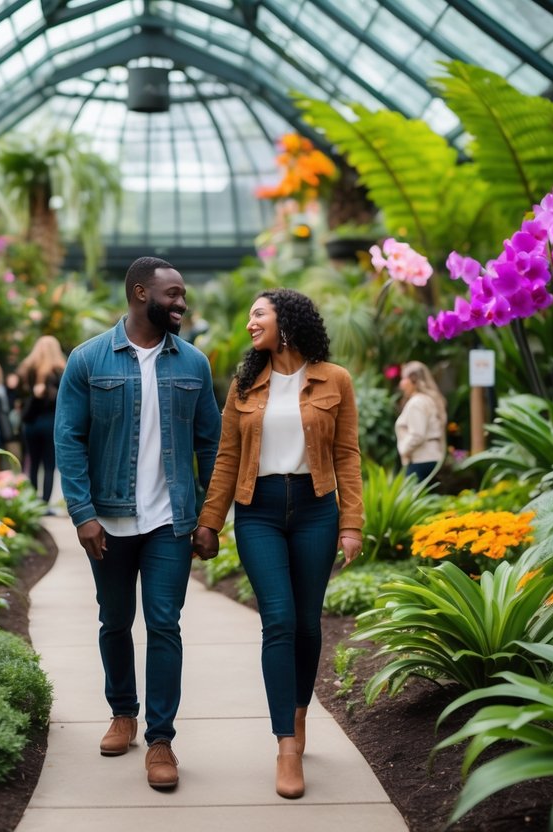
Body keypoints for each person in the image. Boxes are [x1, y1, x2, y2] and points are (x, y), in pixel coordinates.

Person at [54, 256, 222, 792]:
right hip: (108, 517)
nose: (181, 303)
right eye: (173, 294)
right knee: (114, 620)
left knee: (165, 624)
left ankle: (160, 739)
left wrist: (209, 518)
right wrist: (81, 514)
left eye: (183, 295)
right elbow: (69, 439)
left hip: (170, 522)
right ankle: (122, 712)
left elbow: (212, 445)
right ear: (140, 292)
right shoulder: (87, 359)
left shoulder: (193, 364)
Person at [192, 288, 364, 800]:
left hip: (315, 509)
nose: (250, 323)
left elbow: (348, 455)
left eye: (258, 314)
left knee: (308, 624)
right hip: (258, 511)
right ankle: (285, 745)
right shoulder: (245, 386)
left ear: (286, 320)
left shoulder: (335, 380)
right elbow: (225, 458)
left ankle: (298, 711)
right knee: (280, 620)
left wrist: (351, 523)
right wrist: (210, 521)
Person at [14, 335, 66, 503]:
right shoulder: (60, 371)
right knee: (49, 465)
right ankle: (44, 503)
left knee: (32, 464)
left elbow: (18, 397)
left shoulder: (27, 369)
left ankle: (32, 502)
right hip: (51, 422)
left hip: (31, 422)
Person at [395, 360, 446, 482]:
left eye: (404, 379)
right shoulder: (429, 400)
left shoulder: (417, 403)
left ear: (413, 380)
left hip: (420, 460)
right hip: (432, 458)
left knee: (413, 499)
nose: (401, 384)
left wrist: (403, 449)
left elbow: (417, 434)